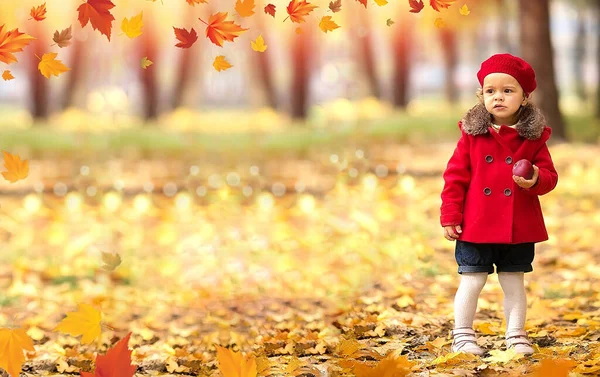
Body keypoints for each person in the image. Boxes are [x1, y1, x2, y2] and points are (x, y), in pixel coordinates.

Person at [440, 53, 558, 356]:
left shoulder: (533, 138)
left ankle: (516, 334)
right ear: (482, 96)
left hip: (516, 224)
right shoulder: (472, 134)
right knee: (472, 279)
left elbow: (549, 176)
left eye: (508, 90)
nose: (499, 97)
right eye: (491, 91)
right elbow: (455, 177)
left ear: (525, 97)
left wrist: (534, 177)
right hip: (475, 223)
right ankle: (462, 334)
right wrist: (450, 214)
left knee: (513, 280)